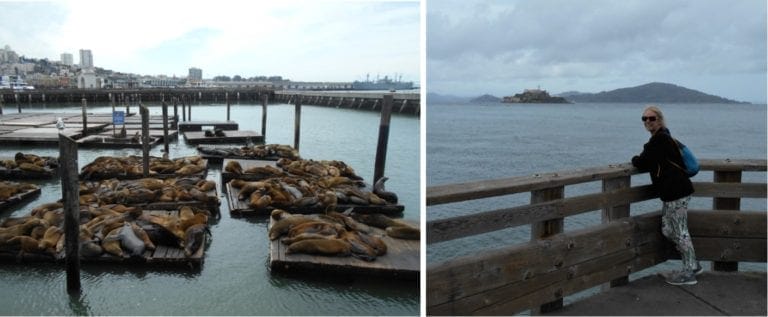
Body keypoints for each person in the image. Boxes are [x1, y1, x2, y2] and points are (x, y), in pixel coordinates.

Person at [631, 105, 703, 285]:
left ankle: (689, 272)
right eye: (644, 119)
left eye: (652, 118)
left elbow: (642, 161)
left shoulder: (660, 140)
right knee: (668, 229)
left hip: (676, 192)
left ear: (660, 120)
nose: (647, 121)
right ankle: (693, 263)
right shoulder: (664, 137)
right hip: (673, 193)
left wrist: (634, 159)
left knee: (679, 232)